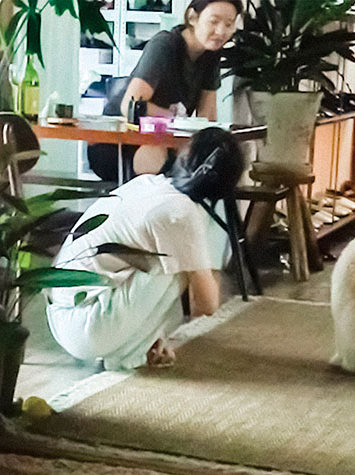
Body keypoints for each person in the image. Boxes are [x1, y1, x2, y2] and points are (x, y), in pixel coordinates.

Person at [47, 126, 245, 370]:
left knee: (172, 258)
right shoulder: (181, 214)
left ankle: (140, 344)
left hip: (62, 318)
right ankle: (131, 354)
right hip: (86, 328)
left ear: (185, 156)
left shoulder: (147, 183)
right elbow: (207, 304)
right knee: (177, 266)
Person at [88, 0, 242, 182]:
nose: (221, 31)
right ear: (193, 17)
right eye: (214, 21)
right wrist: (176, 119)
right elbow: (131, 106)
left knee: (216, 161)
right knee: (169, 160)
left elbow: (207, 117)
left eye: (229, 24)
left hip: (163, 142)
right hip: (118, 144)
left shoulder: (211, 54)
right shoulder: (164, 45)